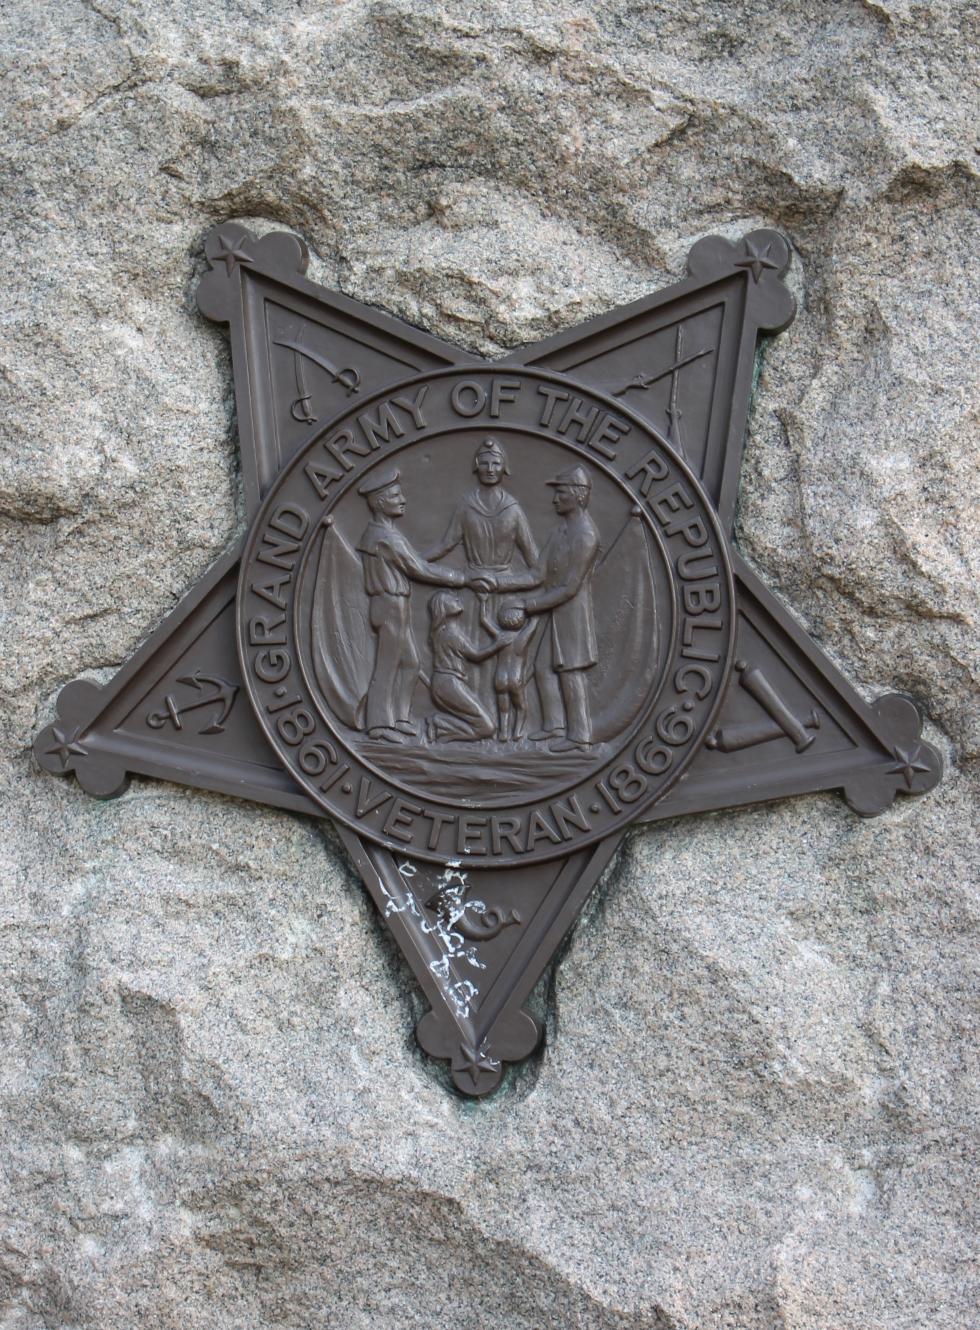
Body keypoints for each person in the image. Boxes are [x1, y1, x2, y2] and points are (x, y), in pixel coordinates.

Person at [356, 469, 487, 744]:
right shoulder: (384, 537)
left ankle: (401, 719)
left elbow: (414, 562)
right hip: (389, 603)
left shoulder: (387, 533)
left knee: (411, 664)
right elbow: (418, 569)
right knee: (387, 666)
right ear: (379, 503)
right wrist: (462, 578)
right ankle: (379, 724)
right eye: (394, 496)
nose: (402, 499)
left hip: (397, 604)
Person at [497, 465, 600, 752]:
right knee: (543, 668)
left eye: (561, 492)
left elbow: (569, 588)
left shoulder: (586, 535)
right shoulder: (560, 531)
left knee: (570, 673)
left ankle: (579, 736)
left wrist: (527, 606)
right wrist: (498, 583)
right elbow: (537, 575)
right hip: (552, 612)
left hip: (572, 615)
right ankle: (554, 726)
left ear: (579, 496)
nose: (555, 498)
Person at [425, 591, 510, 742]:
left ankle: (440, 726)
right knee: (487, 727)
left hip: (443, 683)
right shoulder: (452, 634)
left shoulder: (440, 632)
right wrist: (498, 644)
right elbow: (476, 655)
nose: (457, 598)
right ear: (444, 608)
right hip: (449, 684)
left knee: (480, 724)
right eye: (451, 598)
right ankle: (441, 727)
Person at [479, 599, 538, 742]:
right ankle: (517, 732)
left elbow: (484, 620)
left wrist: (483, 601)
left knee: (503, 708)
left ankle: (503, 733)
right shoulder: (522, 637)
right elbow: (534, 622)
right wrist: (533, 610)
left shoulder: (501, 636)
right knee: (521, 706)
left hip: (500, 677)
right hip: (515, 677)